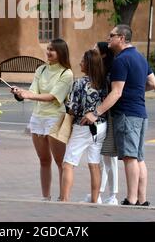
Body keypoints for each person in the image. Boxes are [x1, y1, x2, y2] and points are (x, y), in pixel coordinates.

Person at [81, 25, 155, 206]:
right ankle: (142, 198)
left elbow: (116, 93)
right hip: (141, 113)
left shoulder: (121, 60)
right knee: (139, 157)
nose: (108, 39)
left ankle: (131, 200)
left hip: (126, 114)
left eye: (112, 36)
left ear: (122, 38)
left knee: (130, 157)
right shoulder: (140, 57)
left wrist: (95, 113)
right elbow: (153, 84)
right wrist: (135, 89)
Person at [11, 38, 73, 201]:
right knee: (44, 160)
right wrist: (20, 93)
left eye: (52, 50)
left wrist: (29, 95)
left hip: (55, 119)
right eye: (48, 49)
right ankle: (46, 197)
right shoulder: (41, 69)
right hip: (38, 119)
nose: (48, 52)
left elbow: (53, 97)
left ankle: (63, 197)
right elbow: (32, 91)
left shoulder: (66, 73)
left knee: (60, 161)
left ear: (61, 53)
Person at [61, 49, 107, 203]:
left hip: (82, 126)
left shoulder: (80, 83)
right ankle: (95, 199)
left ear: (88, 64)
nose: (79, 63)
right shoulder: (104, 83)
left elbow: (71, 108)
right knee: (94, 164)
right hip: (100, 125)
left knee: (68, 163)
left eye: (82, 60)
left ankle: (65, 199)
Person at [83, 41, 119, 205]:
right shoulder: (99, 72)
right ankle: (97, 193)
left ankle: (113, 195)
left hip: (110, 115)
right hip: (100, 118)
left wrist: (98, 112)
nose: (92, 49)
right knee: (101, 158)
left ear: (103, 54)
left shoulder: (111, 71)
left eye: (96, 48)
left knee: (110, 157)